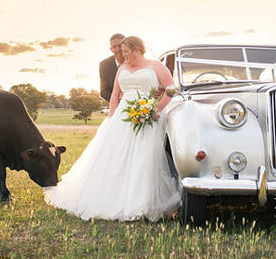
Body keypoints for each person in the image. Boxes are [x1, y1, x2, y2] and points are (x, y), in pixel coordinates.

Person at [44, 36, 180, 221]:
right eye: (121, 53)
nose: (123, 56)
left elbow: (171, 88)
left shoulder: (156, 66)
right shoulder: (122, 69)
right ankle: (111, 197)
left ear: (138, 49)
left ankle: (141, 203)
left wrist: (156, 108)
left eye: (126, 52)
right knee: (115, 157)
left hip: (149, 116)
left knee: (143, 157)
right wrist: (111, 118)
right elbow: (115, 95)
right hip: (122, 118)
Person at [99, 34, 125, 102]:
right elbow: (104, 92)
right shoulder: (104, 65)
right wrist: (120, 100)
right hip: (116, 107)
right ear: (111, 49)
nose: (118, 49)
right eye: (114, 47)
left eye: (120, 45)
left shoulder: (135, 60)